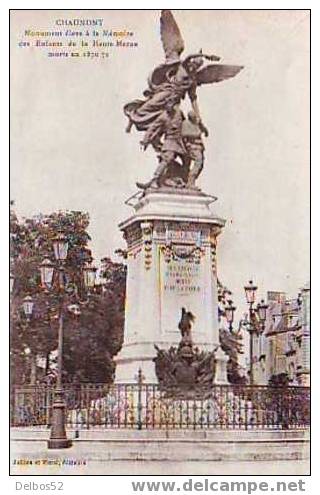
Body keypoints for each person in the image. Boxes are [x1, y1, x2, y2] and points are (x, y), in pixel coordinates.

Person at [181, 110, 208, 188]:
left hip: (199, 147)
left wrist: (201, 125)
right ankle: (190, 181)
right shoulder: (185, 123)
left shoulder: (197, 123)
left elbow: (206, 132)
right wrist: (197, 133)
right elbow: (184, 134)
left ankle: (189, 181)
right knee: (198, 163)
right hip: (192, 147)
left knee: (200, 165)